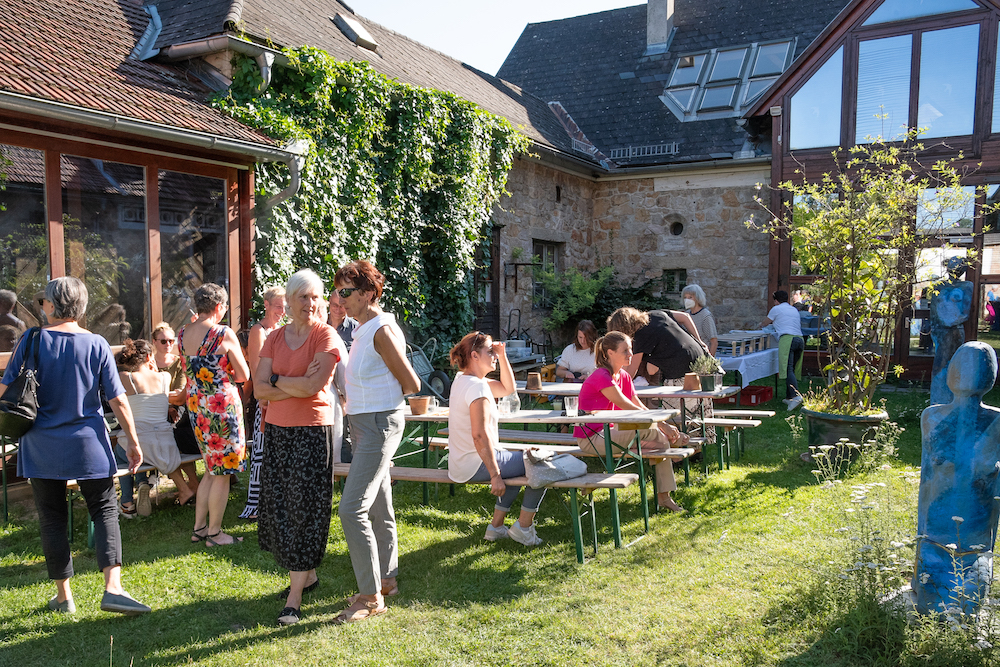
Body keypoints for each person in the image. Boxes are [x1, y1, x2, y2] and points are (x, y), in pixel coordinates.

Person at [0, 277, 150, 615]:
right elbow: (118, 399)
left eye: (43, 303)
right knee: (105, 508)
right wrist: (133, 442)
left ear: (52, 305)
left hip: (40, 444)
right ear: (81, 307)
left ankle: (64, 597)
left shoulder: (32, 339)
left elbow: (7, 387)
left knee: (52, 517)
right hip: (88, 443)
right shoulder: (97, 344)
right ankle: (113, 588)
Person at [335, 260, 420, 624]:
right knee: (378, 503)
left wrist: (380, 407)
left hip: (378, 425)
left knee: (351, 509)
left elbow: (412, 383)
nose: (339, 299)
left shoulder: (381, 329)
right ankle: (386, 579)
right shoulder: (362, 329)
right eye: (337, 291)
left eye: (345, 292)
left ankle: (370, 598)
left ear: (368, 293)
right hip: (365, 424)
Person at [253, 270, 339, 626]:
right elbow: (259, 391)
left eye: (316, 297)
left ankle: (295, 596)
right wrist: (293, 384)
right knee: (281, 506)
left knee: (305, 508)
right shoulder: (273, 338)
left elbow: (315, 387)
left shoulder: (326, 335)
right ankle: (309, 574)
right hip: (277, 431)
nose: (311, 303)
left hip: (311, 432)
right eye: (303, 297)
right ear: (287, 301)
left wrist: (276, 381)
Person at [449, 331, 547, 545]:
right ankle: (524, 527)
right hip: (476, 463)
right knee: (540, 465)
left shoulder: (464, 380)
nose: (494, 355)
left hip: (461, 463)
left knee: (517, 464)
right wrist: (495, 475)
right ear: (475, 356)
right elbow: (479, 435)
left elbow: (508, 389)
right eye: (490, 351)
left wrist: (503, 356)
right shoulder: (477, 389)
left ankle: (496, 528)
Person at [576, 332, 688, 512]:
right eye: (625, 350)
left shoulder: (625, 376)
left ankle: (664, 497)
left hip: (612, 433)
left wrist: (661, 424)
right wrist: (661, 425)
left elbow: (639, 406)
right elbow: (624, 404)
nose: (631, 353)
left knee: (661, 441)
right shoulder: (601, 376)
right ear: (610, 353)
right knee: (656, 435)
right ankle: (676, 445)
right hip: (592, 438)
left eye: (630, 349)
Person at [178, 283, 250, 547]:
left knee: (210, 468)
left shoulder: (182, 333)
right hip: (221, 406)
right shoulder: (223, 333)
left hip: (197, 406)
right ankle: (215, 533)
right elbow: (243, 375)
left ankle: (199, 529)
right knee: (222, 472)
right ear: (219, 307)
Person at [114, 339, 194, 516]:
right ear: (149, 357)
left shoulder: (126, 378)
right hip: (166, 439)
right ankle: (146, 483)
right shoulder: (164, 377)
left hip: (141, 439)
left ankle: (127, 501)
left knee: (121, 454)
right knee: (142, 450)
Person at [239, 286, 286, 520]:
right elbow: (257, 370)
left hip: (283, 397)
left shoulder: (284, 329)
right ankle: (257, 505)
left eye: (285, 306)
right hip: (267, 397)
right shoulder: (259, 331)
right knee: (262, 450)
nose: (282, 310)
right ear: (266, 305)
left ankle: (278, 500)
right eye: (278, 305)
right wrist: (264, 398)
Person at [151, 322, 199, 498]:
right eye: (163, 341)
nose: (168, 345)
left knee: (177, 437)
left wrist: (164, 399)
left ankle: (192, 483)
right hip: (155, 413)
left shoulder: (179, 362)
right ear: (154, 342)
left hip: (176, 412)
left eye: (172, 341)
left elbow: (180, 392)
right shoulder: (148, 363)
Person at [762, 290, 804, 410]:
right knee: (793, 369)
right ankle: (789, 396)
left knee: (787, 369)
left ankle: (795, 396)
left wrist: (760, 325)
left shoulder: (776, 309)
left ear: (776, 300)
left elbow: (766, 323)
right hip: (800, 339)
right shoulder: (793, 309)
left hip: (788, 339)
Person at [682, 285, 718, 356]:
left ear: (698, 298)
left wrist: (709, 361)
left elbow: (714, 341)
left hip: (702, 356)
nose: (687, 300)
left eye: (690, 297)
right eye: (685, 297)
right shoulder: (686, 315)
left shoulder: (705, 316)